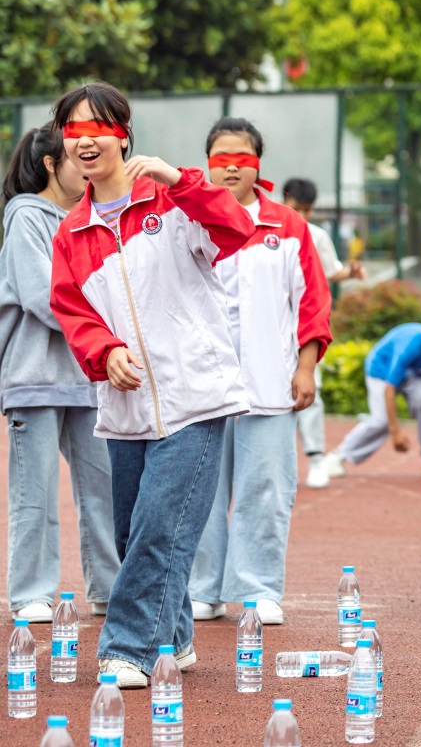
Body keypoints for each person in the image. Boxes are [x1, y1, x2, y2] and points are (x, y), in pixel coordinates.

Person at [48, 81, 255, 688]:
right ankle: (176, 637)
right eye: (75, 131)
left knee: (162, 524)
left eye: (100, 129)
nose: (87, 141)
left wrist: (183, 179)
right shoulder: (71, 233)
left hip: (196, 396)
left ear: (124, 134)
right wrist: (103, 350)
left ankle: (128, 649)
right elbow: (71, 309)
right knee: (132, 530)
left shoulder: (171, 203)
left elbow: (237, 227)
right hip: (127, 406)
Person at [188, 119, 332, 625]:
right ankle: (201, 589)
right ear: (206, 162)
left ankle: (258, 589)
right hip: (200, 388)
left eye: (242, 157)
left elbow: (313, 299)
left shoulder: (287, 226)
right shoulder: (188, 220)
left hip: (270, 384)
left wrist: (307, 366)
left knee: (266, 490)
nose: (231, 165)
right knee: (198, 494)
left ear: (258, 165)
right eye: (221, 156)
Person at [0, 125, 120, 622]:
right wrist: (105, 320)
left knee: (105, 488)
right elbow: (40, 295)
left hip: (86, 376)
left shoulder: (86, 216)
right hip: (33, 377)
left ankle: (111, 589)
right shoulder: (25, 214)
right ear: (52, 163)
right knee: (35, 492)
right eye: (76, 158)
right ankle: (30, 592)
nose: (87, 166)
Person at [280, 177, 366, 490]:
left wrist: (352, 272)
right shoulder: (267, 227)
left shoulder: (316, 236)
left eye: (307, 210)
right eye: (296, 208)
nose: (301, 215)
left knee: (309, 391)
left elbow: (332, 271)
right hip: (271, 324)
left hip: (304, 325)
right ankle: (279, 462)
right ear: (284, 199)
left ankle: (316, 459)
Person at [321, 310, 421, 479]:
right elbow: (390, 388)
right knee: (382, 421)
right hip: (381, 372)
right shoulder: (413, 344)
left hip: (414, 375)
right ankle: (337, 456)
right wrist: (395, 431)